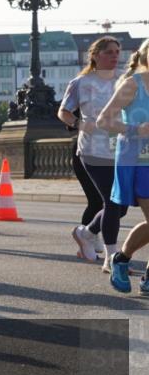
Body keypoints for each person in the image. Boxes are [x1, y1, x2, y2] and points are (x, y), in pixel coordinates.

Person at [59, 37, 124, 271]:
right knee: (112, 202)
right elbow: (63, 112)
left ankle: (86, 233)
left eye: (117, 52)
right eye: (109, 52)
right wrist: (79, 124)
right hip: (92, 150)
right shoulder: (81, 82)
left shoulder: (124, 80)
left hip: (121, 150)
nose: (115, 56)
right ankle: (112, 259)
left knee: (122, 205)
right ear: (95, 55)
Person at [96, 37, 149, 296]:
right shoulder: (133, 85)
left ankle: (140, 272)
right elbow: (103, 120)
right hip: (138, 162)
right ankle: (121, 259)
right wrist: (135, 129)